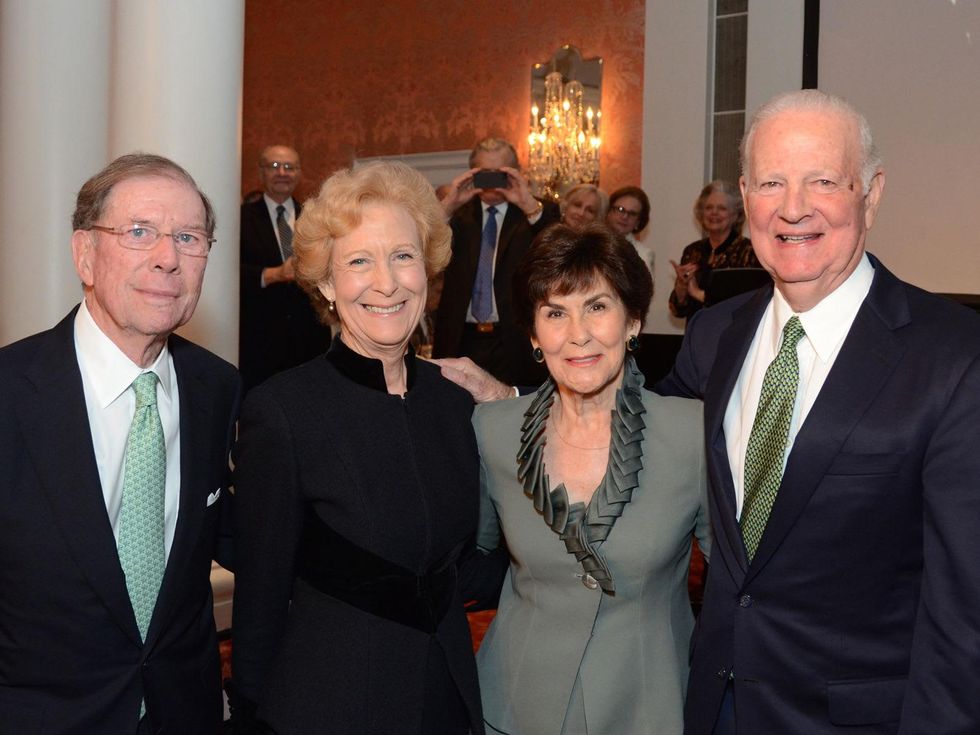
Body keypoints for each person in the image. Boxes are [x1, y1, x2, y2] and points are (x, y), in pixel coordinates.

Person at [656, 89, 980, 734]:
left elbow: (967, 607)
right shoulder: (714, 334)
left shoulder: (954, 357)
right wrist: (508, 402)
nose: (793, 207)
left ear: (872, 193)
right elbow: (630, 431)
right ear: (746, 197)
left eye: (823, 181)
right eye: (772, 182)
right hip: (714, 706)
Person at [230, 161, 502, 734]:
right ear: (327, 284)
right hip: (332, 700)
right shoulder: (282, 411)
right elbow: (260, 593)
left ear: (427, 270)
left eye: (403, 256)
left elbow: (474, 564)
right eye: (359, 261)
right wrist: (252, 711)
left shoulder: (455, 403)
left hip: (448, 696)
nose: (386, 282)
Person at [0, 153, 240, 733]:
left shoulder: (217, 387)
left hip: (183, 712)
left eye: (189, 237)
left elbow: (239, 535)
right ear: (84, 253)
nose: (167, 258)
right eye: (139, 232)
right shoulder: (11, 391)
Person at [473, 224, 710, 734]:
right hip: (515, 705)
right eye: (555, 313)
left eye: (597, 307)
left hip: (646, 707)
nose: (577, 333)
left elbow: (736, 583)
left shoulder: (693, 434)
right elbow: (473, 566)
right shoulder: (492, 432)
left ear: (633, 321)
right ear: (535, 335)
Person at [432, 137, 560, 386]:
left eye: (499, 173)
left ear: (515, 173)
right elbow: (420, 244)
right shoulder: (457, 215)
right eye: (484, 174)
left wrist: (527, 203)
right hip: (460, 338)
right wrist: (449, 205)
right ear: (471, 174)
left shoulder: (535, 212)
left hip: (515, 341)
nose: (491, 181)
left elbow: (559, 250)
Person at [239, 144, 331, 392]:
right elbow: (227, 273)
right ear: (261, 173)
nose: (282, 173)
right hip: (260, 341)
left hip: (310, 340)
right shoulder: (241, 218)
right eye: (275, 166)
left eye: (290, 167)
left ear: (299, 174)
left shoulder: (316, 218)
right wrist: (272, 274)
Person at [668, 180, 759, 321]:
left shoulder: (749, 251)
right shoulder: (692, 251)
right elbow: (678, 311)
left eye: (722, 208)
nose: (714, 213)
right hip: (696, 334)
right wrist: (682, 285)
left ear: (736, 215)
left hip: (731, 335)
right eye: (709, 207)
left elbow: (747, 304)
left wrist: (698, 294)